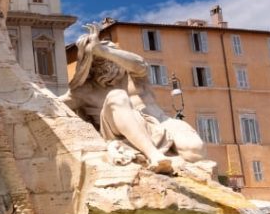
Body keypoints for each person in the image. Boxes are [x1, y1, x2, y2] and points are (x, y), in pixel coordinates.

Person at [61, 24, 206, 174]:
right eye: (97, 61)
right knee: (117, 96)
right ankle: (154, 155)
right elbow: (54, 106)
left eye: (108, 58)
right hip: (116, 133)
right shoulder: (85, 91)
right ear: (89, 65)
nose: (104, 65)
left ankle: (161, 153)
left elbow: (140, 64)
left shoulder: (133, 76)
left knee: (195, 151)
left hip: (156, 123)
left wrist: (102, 50)